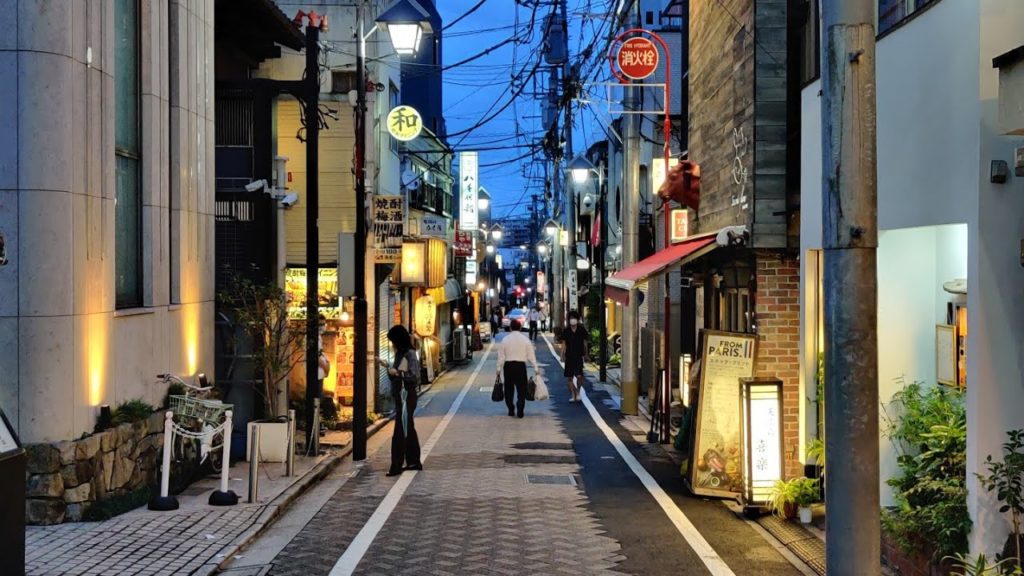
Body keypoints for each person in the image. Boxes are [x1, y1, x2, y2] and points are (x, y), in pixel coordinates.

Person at [381, 325, 423, 476]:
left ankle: (397, 465)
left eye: (393, 341)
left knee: (400, 429)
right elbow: (397, 374)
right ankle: (413, 461)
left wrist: (396, 373)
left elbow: (414, 377)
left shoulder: (410, 354)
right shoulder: (400, 353)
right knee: (408, 428)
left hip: (407, 395)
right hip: (401, 395)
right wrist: (389, 368)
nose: (392, 344)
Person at [496, 319, 540, 418]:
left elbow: (501, 357)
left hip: (508, 366)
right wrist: (536, 368)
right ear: (520, 328)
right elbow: (531, 355)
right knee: (521, 389)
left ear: (510, 328)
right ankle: (520, 408)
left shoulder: (505, 340)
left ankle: (511, 409)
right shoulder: (525, 340)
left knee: (508, 389)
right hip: (521, 366)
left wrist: (498, 369)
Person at [560, 310, 589, 402]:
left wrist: (586, 354)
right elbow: (564, 344)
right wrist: (562, 355)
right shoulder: (566, 331)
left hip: (578, 356)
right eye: (571, 318)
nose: (572, 320)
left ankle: (579, 391)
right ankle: (573, 394)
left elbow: (585, 343)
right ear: (569, 320)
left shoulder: (581, 330)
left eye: (574, 318)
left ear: (577, 320)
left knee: (579, 376)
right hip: (569, 356)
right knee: (570, 378)